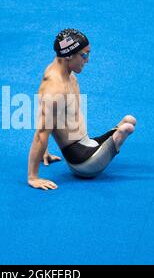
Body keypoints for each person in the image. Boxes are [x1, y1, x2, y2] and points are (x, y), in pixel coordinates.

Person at [27, 29, 136, 190]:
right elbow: (41, 134)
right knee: (127, 128)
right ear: (69, 55)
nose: (87, 60)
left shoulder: (63, 72)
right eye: (84, 55)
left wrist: (45, 150)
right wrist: (33, 177)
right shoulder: (54, 88)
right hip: (83, 163)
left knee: (129, 120)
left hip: (87, 143)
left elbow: (47, 117)